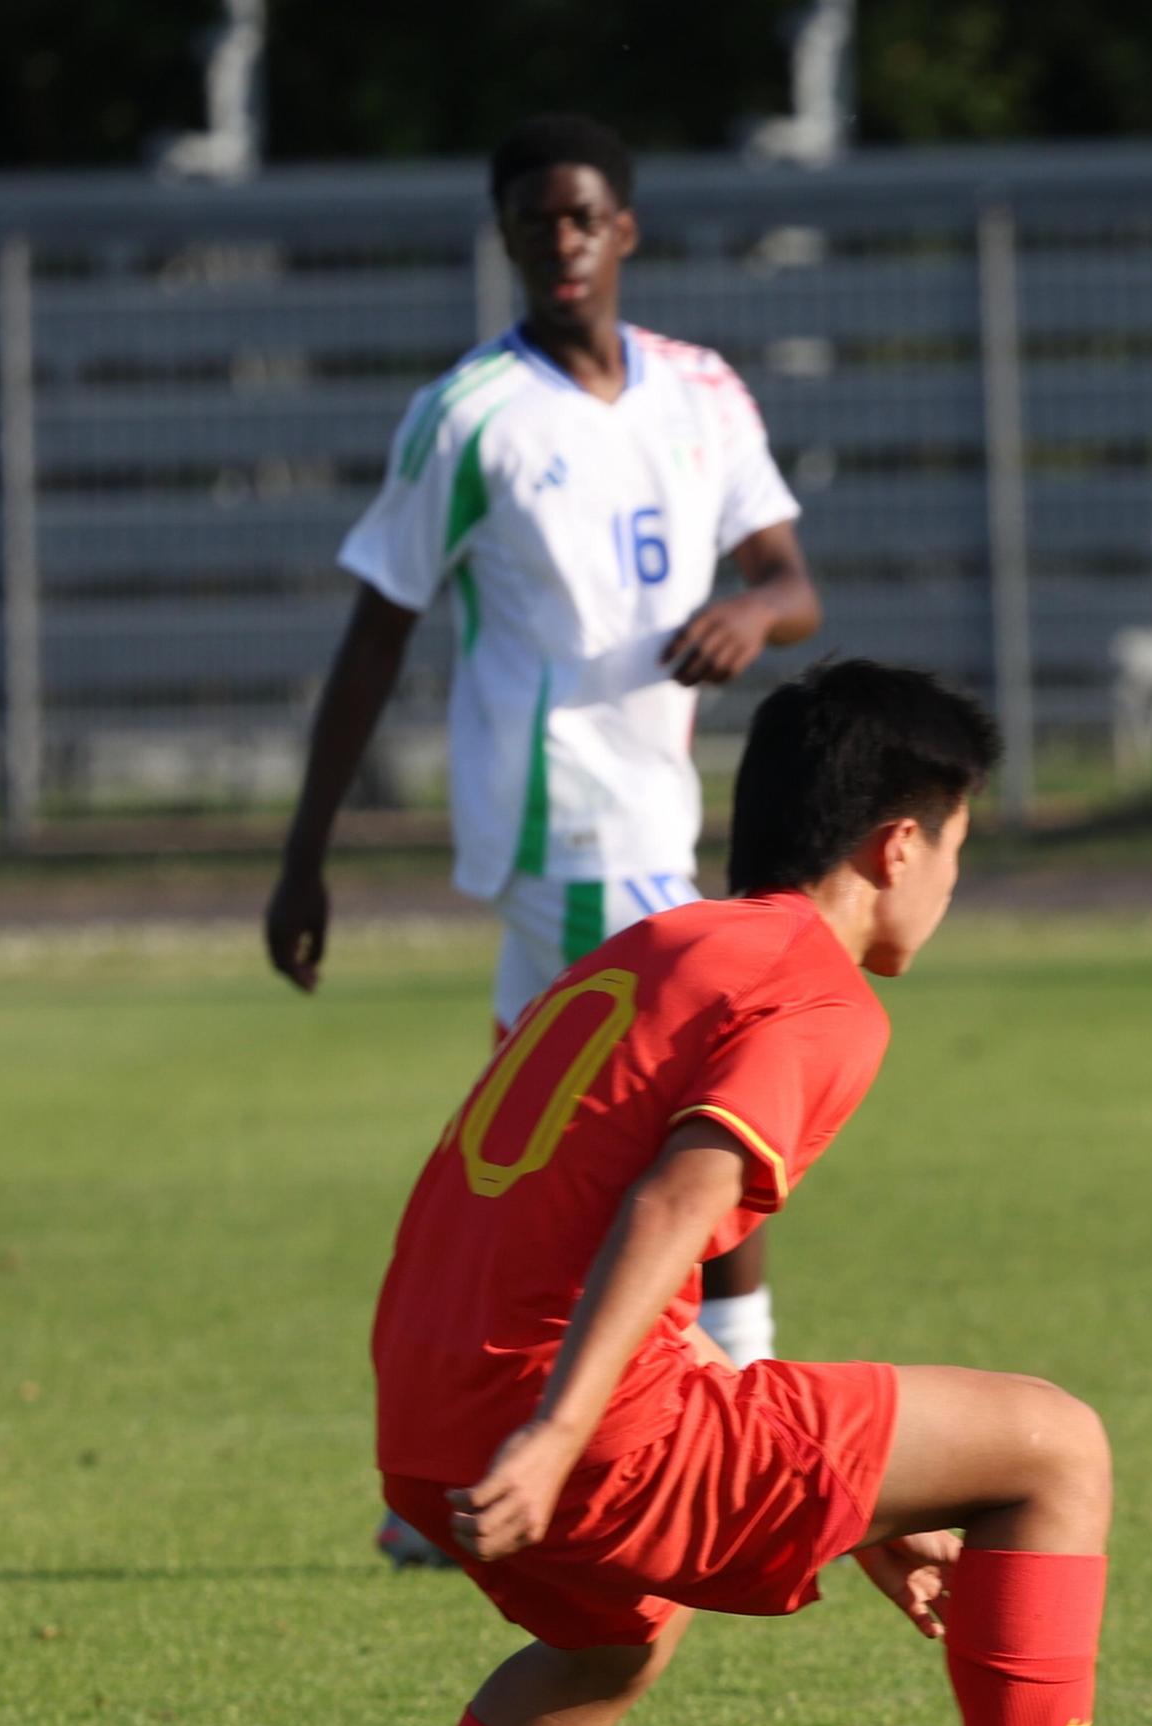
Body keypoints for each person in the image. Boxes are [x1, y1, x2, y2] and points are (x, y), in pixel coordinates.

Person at [310, 659, 1152, 1726]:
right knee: (1053, 1446)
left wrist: (858, 1508)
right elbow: (679, 1201)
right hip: (558, 1423)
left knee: (605, 1639)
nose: (951, 887)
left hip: (431, 1417)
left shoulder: (659, 949)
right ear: (899, 844)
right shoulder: (817, 993)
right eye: (961, 851)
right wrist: (563, 1436)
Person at [261, 112, 823, 1567]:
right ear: (508, 240)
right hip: (560, 821)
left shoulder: (701, 390)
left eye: (581, 218)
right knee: (674, 1116)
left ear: (625, 228)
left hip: (660, 808)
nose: (559, 244)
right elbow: (376, 632)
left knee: (542, 1144)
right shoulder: (471, 418)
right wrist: (305, 849)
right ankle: (720, 1415)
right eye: (532, 223)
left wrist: (754, 617)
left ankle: (467, 1463)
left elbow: (787, 575)